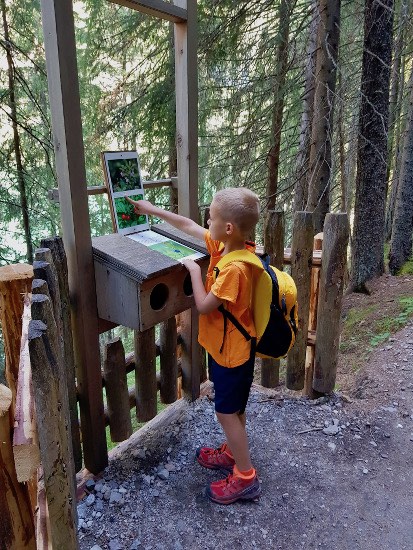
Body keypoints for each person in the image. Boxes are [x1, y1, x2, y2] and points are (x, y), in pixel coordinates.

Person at [126, 188, 261, 505]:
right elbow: (187, 226)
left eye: (211, 217)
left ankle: (245, 477)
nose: (207, 221)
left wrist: (193, 271)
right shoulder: (233, 248)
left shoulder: (233, 269)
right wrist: (152, 211)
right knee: (235, 408)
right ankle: (231, 453)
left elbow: (203, 305)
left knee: (227, 413)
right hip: (233, 350)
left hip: (233, 355)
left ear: (227, 227)